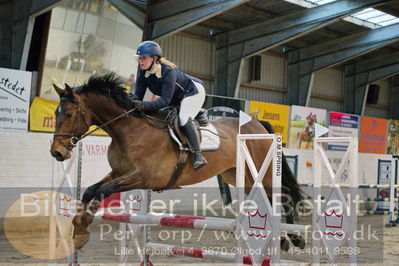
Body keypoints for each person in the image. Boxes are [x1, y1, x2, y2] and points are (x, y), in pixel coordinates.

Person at [129, 41, 207, 169]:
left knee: (183, 118)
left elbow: (164, 101)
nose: (141, 61)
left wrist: (143, 105)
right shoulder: (143, 73)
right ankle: (197, 113)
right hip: (175, 98)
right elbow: (138, 96)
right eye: (139, 58)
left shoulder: (168, 72)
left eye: (144, 58)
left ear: (154, 59)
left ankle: (198, 154)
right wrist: (129, 100)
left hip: (193, 92)